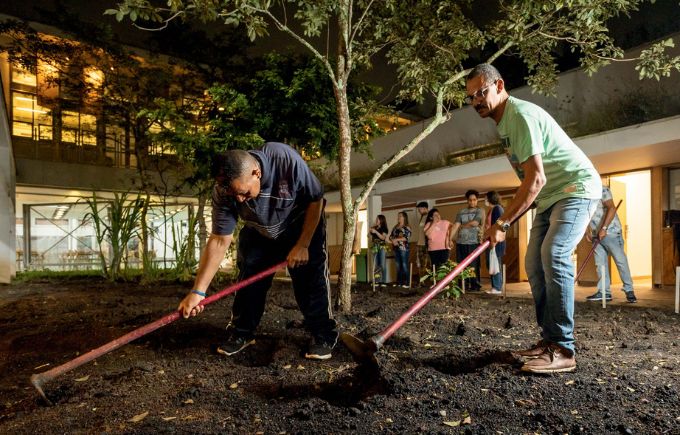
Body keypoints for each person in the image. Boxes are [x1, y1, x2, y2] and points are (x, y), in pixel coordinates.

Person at [468, 64, 601, 373]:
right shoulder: (504, 123)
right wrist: (505, 222)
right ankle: (549, 341)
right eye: (471, 97)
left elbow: (535, 179)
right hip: (550, 196)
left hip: (575, 188)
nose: (476, 101)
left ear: (499, 86)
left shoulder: (520, 116)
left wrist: (501, 224)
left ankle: (564, 349)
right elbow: (532, 183)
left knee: (553, 254)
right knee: (534, 264)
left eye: (481, 93)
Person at [177, 142, 338, 360]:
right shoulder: (224, 191)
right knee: (249, 279)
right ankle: (242, 333)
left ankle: (324, 335)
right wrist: (198, 292)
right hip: (259, 230)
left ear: (257, 173)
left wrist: (302, 245)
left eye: (243, 193)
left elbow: (315, 199)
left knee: (311, 281)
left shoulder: (285, 161)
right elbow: (219, 240)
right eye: (235, 196)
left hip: (300, 224)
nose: (240, 200)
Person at [584, 185, 637, 303]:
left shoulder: (602, 189)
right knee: (600, 264)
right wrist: (587, 230)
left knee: (620, 260)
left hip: (611, 231)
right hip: (595, 235)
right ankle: (604, 292)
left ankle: (629, 290)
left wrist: (604, 228)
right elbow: (585, 213)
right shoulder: (583, 192)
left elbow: (611, 208)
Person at [451, 190, 484, 291]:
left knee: (473, 265)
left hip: (473, 242)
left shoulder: (480, 211)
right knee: (461, 265)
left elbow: (475, 223)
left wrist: (462, 225)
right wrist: (450, 239)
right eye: (470, 200)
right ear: (467, 201)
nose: (472, 202)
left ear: (477, 200)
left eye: (474, 200)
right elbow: (455, 225)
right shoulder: (461, 212)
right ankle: (462, 285)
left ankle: (475, 286)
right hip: (461, 242)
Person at [484, 191, 506, 295]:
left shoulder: (497, 209)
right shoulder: (492, 209)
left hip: (495, 241)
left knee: (495, 264)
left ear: (490, 198)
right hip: (490, 241)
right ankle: (495, 287)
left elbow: (499, 225)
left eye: (486, 198)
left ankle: (497, 287)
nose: (485, 200)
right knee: (491, 264)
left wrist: (494, 240)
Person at [389, 211, 412, 288]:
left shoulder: (407, 227)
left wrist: (396, 240)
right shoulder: (396, 227)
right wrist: (393, 240)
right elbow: (391, 236)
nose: (398, 217)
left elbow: (406, 238)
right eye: (398, 216)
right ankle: (399, 282)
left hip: (404, 249)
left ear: (404, 217)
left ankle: (407, 283)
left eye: (400, 216)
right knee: (398, 266)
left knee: (404, 265)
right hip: (396, 248)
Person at [369, 214, 389, 287]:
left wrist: (376, 232)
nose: (376, 221)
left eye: (378, 219)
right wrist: (370, 232)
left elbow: (383, 238)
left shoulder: (384, 228)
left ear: (381, 220)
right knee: (376, 264)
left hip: (382, 247)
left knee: (382, 264)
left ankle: (383, 281)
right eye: (376, 219)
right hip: (375, 246)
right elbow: (370, 237)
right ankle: (377, 281)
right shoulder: (374, 228)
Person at [415, 201, 431, 280]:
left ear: (425, 208)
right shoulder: (422, 217)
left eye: (420, 209)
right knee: (421, 264)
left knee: (429, 263)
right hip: (420, 244)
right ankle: (422, 281)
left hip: (427, 244)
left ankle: (431, 281)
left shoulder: (430, 217)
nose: (419, 211)